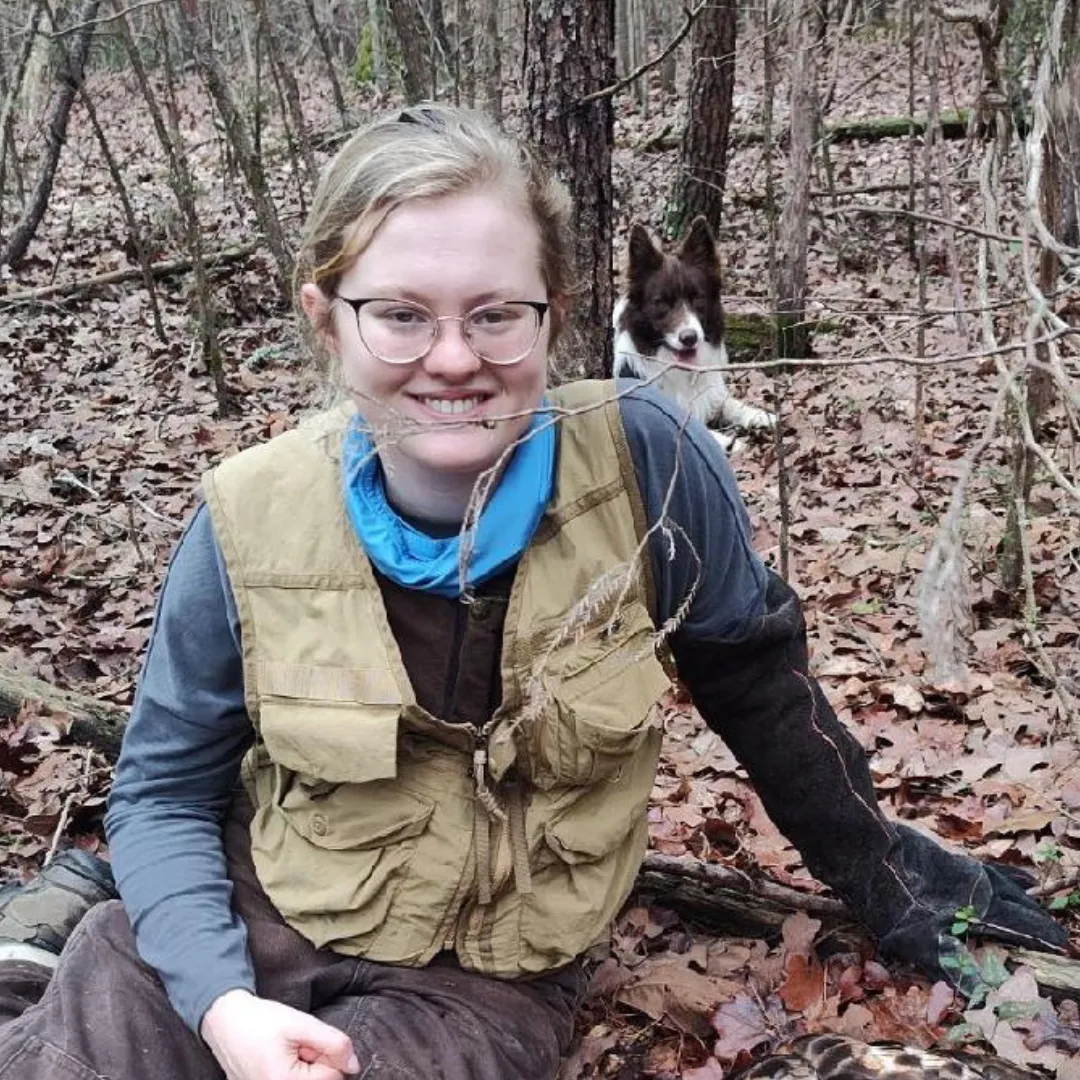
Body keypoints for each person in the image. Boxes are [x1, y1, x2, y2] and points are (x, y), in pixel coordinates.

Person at [0, 104, 1067, 1080]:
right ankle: (53, 935)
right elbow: (163, 791)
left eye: (496, 314)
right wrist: (220, 999)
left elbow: (759, 691)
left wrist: (887, 875)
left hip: (474, 986)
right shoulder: (248, 514)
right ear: (327, 321)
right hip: (232, 924)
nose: (454, 359)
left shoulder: (646, 467)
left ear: (555, 316)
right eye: (400, 316)